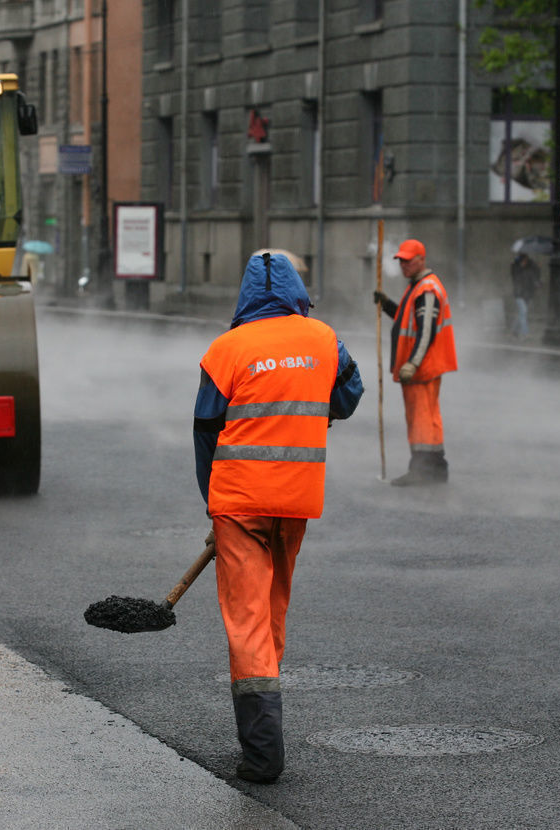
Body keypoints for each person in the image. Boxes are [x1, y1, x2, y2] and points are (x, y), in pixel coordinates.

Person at [193, 249, 364, 784]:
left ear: (245, 296)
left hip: (239, 502)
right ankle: (265, 726)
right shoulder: (324, 339)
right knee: (271, 609)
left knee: (246, 621)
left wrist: (212, 500)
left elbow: (205, 431)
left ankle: (263, 754)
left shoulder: (226, 350)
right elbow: (349, 397)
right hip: (295, 501)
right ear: (296, 293)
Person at [373, 238, 458, 486]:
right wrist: (386, 304)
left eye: (408, 261)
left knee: (421, 420)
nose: (404, 265)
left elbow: (426, 332)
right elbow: (405, 319)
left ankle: (422, 470)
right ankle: (435, 468)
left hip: (422, 369)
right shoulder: (418, 286)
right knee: (426, 419)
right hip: (422, 368)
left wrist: (411, 364)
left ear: (422, 259)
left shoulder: (426, 289)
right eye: (401, 261)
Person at [510, 251, 540, 339]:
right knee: (523, 312)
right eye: (524, 260)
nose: (525, 262)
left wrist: (537, 267)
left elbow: (534, 278)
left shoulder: (530, 267)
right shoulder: (515, 267)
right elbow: (515, 276)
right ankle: (525, 333)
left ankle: (514, 330)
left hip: (527, 294)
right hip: (519, 294)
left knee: (521, 313)